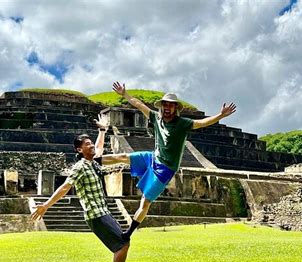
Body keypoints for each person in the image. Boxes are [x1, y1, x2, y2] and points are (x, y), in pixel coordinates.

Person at [102, 82, 237, 241]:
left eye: (170, 105)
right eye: (165, 104)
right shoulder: (156, 117)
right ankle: (92, 159)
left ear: (175, 108)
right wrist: (125, 94)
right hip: (153, 157)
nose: (167, 108)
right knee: (123, 157)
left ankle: (128, 234)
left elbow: (202, 123)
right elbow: (139, 105)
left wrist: (220, 115)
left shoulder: (182, 124)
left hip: (165, 169)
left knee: (145, 202)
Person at [31, 115, 131, 262]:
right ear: (79, 150)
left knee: (123, 243)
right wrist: (46, 205)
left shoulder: (92, 163)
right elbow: (65, 187)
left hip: (103, 211)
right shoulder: (80, 167)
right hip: (95, 214)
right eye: (86, 144)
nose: (91, 145)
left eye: (90, 143)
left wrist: (102, 130)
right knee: (122, 244)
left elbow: (99, 148)